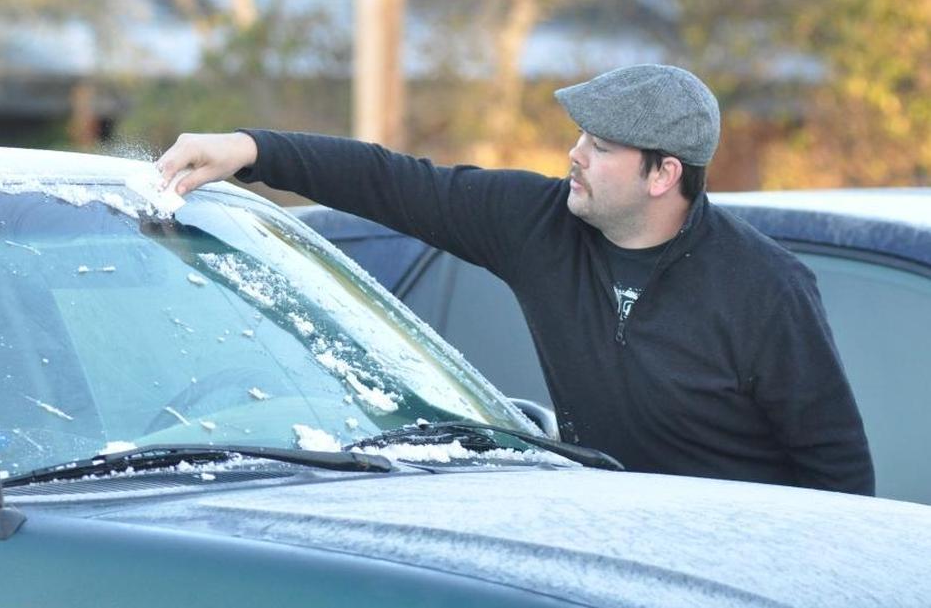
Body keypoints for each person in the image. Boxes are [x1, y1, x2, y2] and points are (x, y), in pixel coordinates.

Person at [155, 64, 875, 495]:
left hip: (736, 568)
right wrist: (251, 149)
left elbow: (839, 471)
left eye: (600, 145)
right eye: (580, 137)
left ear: (664, 174)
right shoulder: (540, 226)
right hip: (609, 552)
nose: (574, 154)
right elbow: (397, 181)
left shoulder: (765, 289)